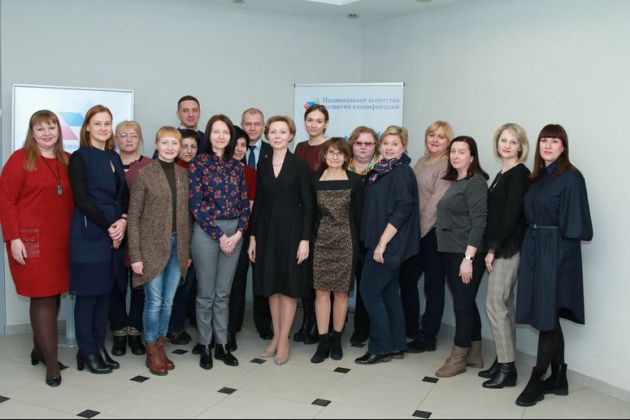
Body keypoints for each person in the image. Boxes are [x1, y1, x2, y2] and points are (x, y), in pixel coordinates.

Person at [514, 124, 592, 407]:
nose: (548, 145)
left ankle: (537, 379)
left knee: (547, 315)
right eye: (544, 140)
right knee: (548, 315)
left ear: (563, 146)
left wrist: (559, 265)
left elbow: (577, 228)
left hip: (556, 254)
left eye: (554, 141)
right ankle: (559, 377)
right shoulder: (537, 178)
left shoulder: (571, 178)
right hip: (535, 249)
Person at [0, 110, 74, 387]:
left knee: (54, 294)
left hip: (62, 240)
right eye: (40, 129)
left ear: (59, 131)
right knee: (42, 297)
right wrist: (13, 238)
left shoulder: (67, 160)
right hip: (30, 241)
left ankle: (39, 350)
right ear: (32, 133)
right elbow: (6, 200)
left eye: (51, 127)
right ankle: (52, 365)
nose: (47, 133)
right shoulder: (20, 159)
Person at [248, 115, 313, 365]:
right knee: (271, 286)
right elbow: (259, 204)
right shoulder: (263, 164)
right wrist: (253, 237)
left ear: (291, 135)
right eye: (273, 132)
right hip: (266, 232)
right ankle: (275, 337)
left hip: (292, 233)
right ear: (267, 135)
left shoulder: (299, 165)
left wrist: (305, 239)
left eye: (282, 132)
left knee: (288, 287)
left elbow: (308, 205)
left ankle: (284, 339)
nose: (277, 136)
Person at [68, 105, 128, 374]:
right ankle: (87, 350)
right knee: (88, 295)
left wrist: (123, 221)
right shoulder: (79, 157)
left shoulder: (114, 157)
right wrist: (110, 227)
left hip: (113, 231)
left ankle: (99, 346)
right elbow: (82, 200)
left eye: (107, 123)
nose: (103, 128)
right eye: (98, 123)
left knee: (105, 293)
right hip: (90, 232)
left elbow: (123, 195)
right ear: (88, 128)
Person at [127, 127, 191, 376]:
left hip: (178, 246)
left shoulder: (183, 174)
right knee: (153, 301)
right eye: (165, 142)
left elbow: (186, 217)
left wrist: (186, 250)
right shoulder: (144, 174)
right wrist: (136, 255)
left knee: (168, 301)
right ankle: (151, 349)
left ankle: (160, 346)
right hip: (151, 247)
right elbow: (134, 216)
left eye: (174, 143)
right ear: (156, 145)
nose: (170, 147)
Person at [355, 125, 420, 365]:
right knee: (389, 293)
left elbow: (403, 210)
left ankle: (380, 347)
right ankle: (396, 344)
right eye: (386, 143)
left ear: (404, 147)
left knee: (370, 291)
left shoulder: (402, 172)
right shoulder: (382, 169)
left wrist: (382, 243)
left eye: (395, 144)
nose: (389, 148)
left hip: (388, 244)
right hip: (379, 241)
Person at [189, 115, 250, 370]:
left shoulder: (237, 166)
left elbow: (244, 204)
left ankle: (222, 345)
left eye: (225, 132)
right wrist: (220, 235)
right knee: (206, 294)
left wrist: (238, 234)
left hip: (234, 233)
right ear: (209, 135)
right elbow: (196, 205)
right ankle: (205, 345)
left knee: (223, 294)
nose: (221, 136)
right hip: (207, 232)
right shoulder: (198, 163)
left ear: (231, 137)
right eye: (216, 131)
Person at [479, 123, 530, 389]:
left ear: (521, 146)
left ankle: (508, 369)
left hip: (507, 248)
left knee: (495, 305)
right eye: (503, 140)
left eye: (513, 141)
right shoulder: (502, 173)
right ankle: (502, 361)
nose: (507, 145)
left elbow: (510, 216)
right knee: (504, 306)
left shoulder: (519, 174)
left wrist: (492, 249)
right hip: (500, 246)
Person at [434, 136, 489, 378]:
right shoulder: (456, 182)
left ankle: (458, 358)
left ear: (472, 156)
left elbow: (479, 222)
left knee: (462, 305)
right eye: (453, 151)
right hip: (450, 250)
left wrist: (468, 259)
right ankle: (475, 353)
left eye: (462, 152)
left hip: (464, 253)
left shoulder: (475, 182)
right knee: (465, 302)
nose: (455, 156)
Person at [310, 138, 362, 363]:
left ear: (346, 157)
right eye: (331, 152)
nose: (334, 157)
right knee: (321, 292)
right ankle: (323, 341)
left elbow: (358, 216)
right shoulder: (314, 180)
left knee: (341, 292)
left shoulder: (355, 181)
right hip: (321, 242)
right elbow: (311, 215)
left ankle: (337, 339)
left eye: (340, 153)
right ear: (324, 155)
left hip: (346, 243)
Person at [406, 121, 454, 353]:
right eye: (431, 135)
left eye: (441, 136)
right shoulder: (421, 161)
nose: (435, 139)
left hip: (432, 233)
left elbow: (436, 202)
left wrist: (418, 233)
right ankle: (410, 327)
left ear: (448, 141)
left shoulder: (447, 164)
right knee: (407, 279)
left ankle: (428, 337)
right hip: (415, 231)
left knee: (433, 286)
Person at [110, 120, 151, 357]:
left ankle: (135, 332)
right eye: (123, 135)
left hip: (141, 236)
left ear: (140, 139)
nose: (128, 139)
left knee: (139, 286)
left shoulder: (150, 166)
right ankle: (118, 332)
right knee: (114, 285)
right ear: (116, 139)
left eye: (133, 135)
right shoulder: (108, 162)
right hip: (113, 234)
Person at [294, 104, 330, 344]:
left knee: (321, 272)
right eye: (310, 120)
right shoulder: (300, 147)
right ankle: (307, 319)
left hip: (324, 216)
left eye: (319, 120)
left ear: (326, 123)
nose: (314, 124)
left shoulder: (332, 146)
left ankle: (320, 323)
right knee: (305, 273)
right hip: (301, 214)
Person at [346, 126, 380, 346]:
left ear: (375, 146)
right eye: (359, 143)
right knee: (341, 284)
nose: (363, 148)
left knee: (366, 286)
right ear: (352, 145)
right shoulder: (340, 168)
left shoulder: (382, 171)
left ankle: (362, 329)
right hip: (345, 235)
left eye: (368, 143)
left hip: (371, 237)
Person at [227, 126, 260, 351]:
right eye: (236, 144)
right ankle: (211, 333)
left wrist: (243, 234)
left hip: (241, 233)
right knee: (213, 287)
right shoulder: (211, 168)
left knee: (237, 284)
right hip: (215, 233)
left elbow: (251, 208)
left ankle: (231, 330)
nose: (239, 149)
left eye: (243, 145)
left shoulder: (250, 173)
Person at [167, 128, 199, 345]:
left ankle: (178, 324)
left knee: (188, 284)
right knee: (177, 284)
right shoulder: (172, 170)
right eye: (184, 146)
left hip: (198, 233)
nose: (188, 150)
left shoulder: (199, 169)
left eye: (193, 146)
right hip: (176, 235)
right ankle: (173, 328)